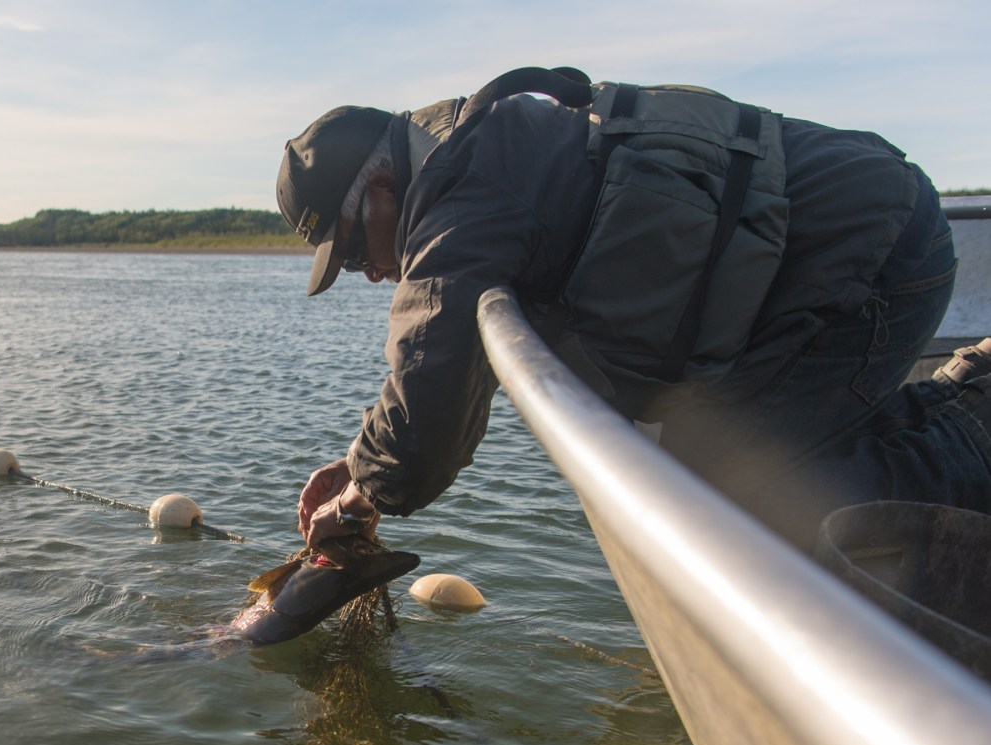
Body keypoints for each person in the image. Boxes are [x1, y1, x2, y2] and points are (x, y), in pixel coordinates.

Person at [277, 67, 991, 551]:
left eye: (349, 251)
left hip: (875, 258)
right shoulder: (478, 150)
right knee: (703, 491)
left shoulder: (459, 202)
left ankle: (975, 414)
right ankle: (961, 405)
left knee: (754, 513)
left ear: (378, 194)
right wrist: (356, 462)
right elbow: (445, 374)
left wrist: (365, 490)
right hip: (841, 255)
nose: (368, 273)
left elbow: (425, 411)